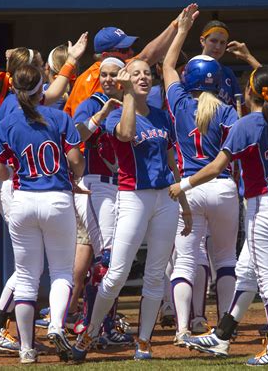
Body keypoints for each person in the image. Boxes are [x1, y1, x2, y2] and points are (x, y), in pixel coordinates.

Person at [172, 66, 268, 366]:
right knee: (245, 272)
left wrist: (184, 184)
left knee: (267, 279)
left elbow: (216, 167)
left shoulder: (248, 124)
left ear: (249, 92)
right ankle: (222, 336)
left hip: (264, 205)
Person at [71, 59, 192, 361]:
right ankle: (91, 330)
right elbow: (125, 134)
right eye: (136, 73)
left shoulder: (163, 117)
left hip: (165, 197)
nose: (143, 78)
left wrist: (186, 205)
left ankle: (145, 341)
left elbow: (172, 164)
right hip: (132, 196)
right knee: (116, 273)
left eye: (147, 74)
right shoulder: (116, 113)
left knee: (154, 275)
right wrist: (125, 95)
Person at [0, 35, 88, 354]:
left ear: (15, 86)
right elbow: (75, 160)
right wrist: (75, 174)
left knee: (26, 277)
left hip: (23, 198)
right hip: (55, 198)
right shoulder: (58, 116)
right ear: (41, 84)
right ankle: (55, 325)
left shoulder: (9, 117)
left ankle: (26, 348)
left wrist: (19, 170)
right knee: (60, 272)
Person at [162, 5, 239, 345]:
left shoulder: (179, 102)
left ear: (188, 78)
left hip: (188, 190)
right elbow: (236, 151)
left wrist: (181, 30)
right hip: (221, 188)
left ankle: (182, 329)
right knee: (225, 260)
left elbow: (166, 65)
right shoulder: (225, 109)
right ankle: (223, 330)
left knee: (185, 262)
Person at [72, 57, 134, 346]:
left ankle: (105, 325)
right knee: (106, 260)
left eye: (114, 74)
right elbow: (76, 136)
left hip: (125, 188)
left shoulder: (133, 103)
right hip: (97, 185)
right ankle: (90, 325)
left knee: (116, 261)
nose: (108, 79)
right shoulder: (92, 102)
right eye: (105, 74)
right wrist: (102, 113)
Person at [64, 4, 198, 117]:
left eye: (129, 47)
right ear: (105, 55)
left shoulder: (119, 66)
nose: (130, 52)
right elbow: (78, 134)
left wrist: (176, 25)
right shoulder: (88, 81)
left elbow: (148, 56)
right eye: (123, 50)